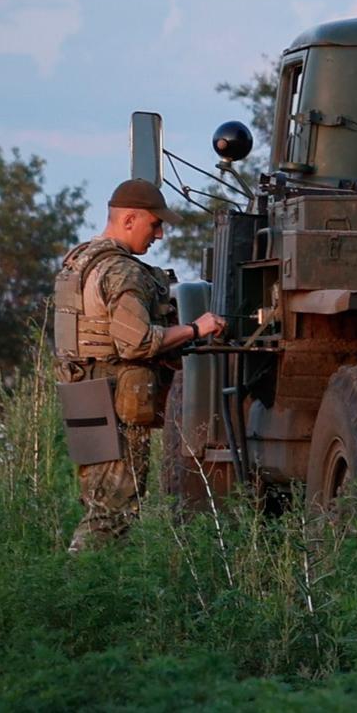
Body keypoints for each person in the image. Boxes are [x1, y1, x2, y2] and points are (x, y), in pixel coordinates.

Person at [53, 178, 225, 552]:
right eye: (154, 224)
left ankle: (86, 591)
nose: (159, 235)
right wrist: (197, 328)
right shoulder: (123, 271)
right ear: (129, 219)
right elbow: (137, 342)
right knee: (112, 514)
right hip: (115, 400)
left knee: (98, 502)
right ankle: (76, 588)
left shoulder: (78, 262)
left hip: (83, 394)